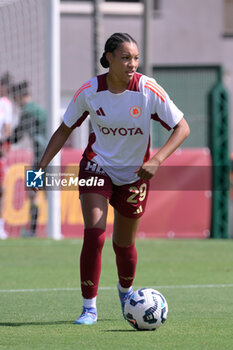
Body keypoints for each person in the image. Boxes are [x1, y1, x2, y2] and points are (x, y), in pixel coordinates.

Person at [36, 33, 190, 325]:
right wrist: (42, 166)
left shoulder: (148, 90)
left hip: (135, 175)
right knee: (94, 234)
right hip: (98, 167)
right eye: (125, 58)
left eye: (135, 58)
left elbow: (182, 128)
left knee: (123, 245)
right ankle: (89, 308)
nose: (132, 64)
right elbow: (64, 129)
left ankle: (126, 293)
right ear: (109, 58)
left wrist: (156, 160)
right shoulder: (90, 91)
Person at [9, 81, 47, 237]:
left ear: (18, 96)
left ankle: (32, 230)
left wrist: (5, 140)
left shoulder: (28, 112)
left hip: (40, 157)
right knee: (48, 193)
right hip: (52, 156)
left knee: (33, 192)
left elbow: (16, 136)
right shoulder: (40, 110)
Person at [0, 73, 13, 239]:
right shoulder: (30, 111)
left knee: (2, 189)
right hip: (37, 158)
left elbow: (8, 130)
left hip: (38, 157)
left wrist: (5, 146)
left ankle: (1, 225)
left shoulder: (7, 104)